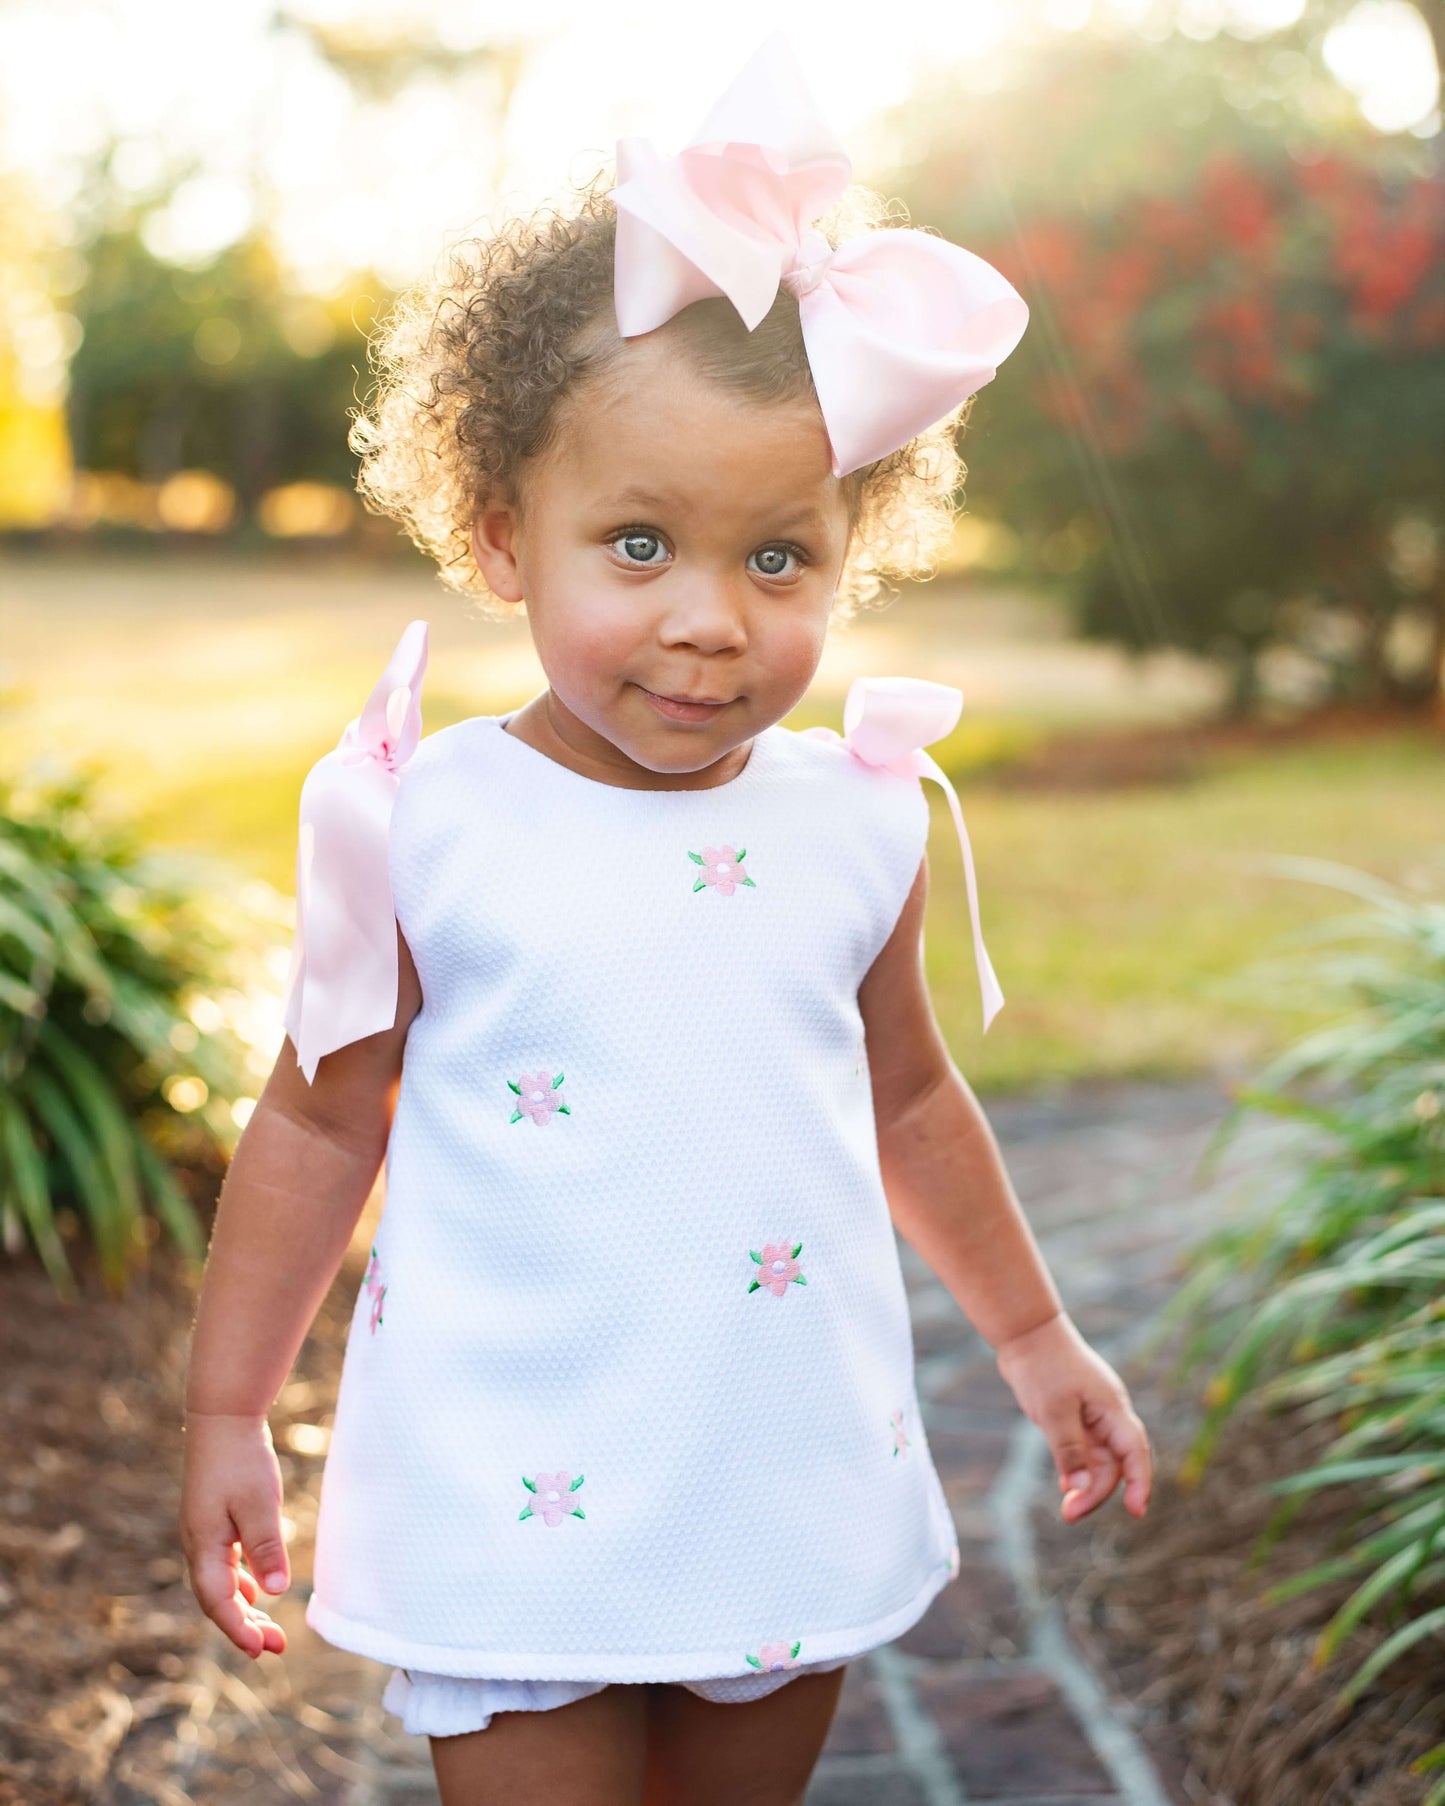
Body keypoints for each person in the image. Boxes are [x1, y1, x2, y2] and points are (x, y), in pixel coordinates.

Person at [180, 34, 1152, 1806]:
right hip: (510, 1475)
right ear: (500, 534)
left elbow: (912, 1098)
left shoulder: (856, 820)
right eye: (638, 543)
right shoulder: (422, 818)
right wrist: (230, 1409)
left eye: (777, 558)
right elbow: (322, 1115)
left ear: (853, 550)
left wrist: (1031, 1334)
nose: (710, 621)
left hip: (768, 1458)